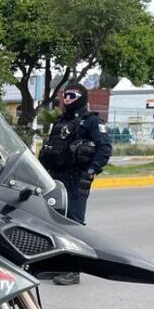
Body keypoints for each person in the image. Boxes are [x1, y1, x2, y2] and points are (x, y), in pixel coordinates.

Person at [38, 83, 112, 285]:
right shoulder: (60, 121)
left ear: (81, 97)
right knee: (54, 222)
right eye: (65, 95)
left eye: (71, 95)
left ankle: (74, 269)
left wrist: (90, 172)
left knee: (74, 224)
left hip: (76, 178)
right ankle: (58, 264)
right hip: (54, 178)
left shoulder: (91, 122)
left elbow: (104, 149)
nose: (66, 99)